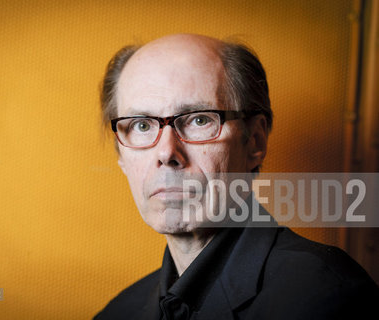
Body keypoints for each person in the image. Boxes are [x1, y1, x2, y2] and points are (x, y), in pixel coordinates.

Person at [94, 34, 379, 320]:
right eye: (142, 125)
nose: (166, 152)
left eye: (199, 119)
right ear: (121, 154)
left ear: (255, 141)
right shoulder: (118, 312)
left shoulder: (327, 297)